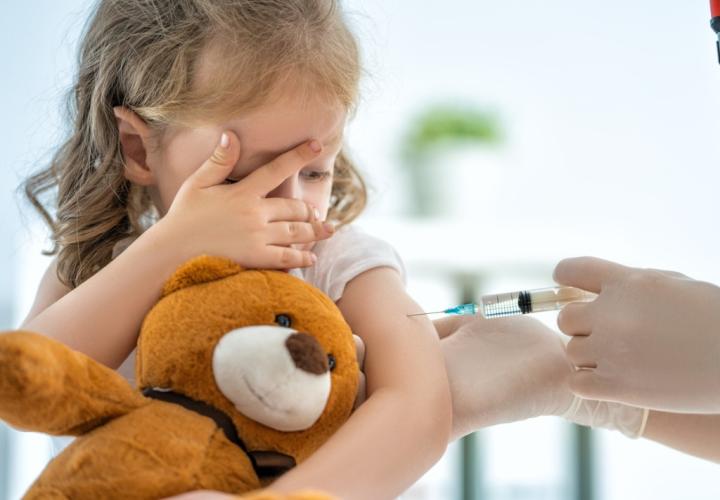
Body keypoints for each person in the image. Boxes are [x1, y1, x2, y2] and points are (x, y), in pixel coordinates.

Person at [19, 1, 451, 499]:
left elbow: (420, 407)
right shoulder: (98, 265)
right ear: (139, 149)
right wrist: (171, 248)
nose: (291, 208)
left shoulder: (337, 263)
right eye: (245, 177)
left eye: (315, 173)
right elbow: (30, 381)